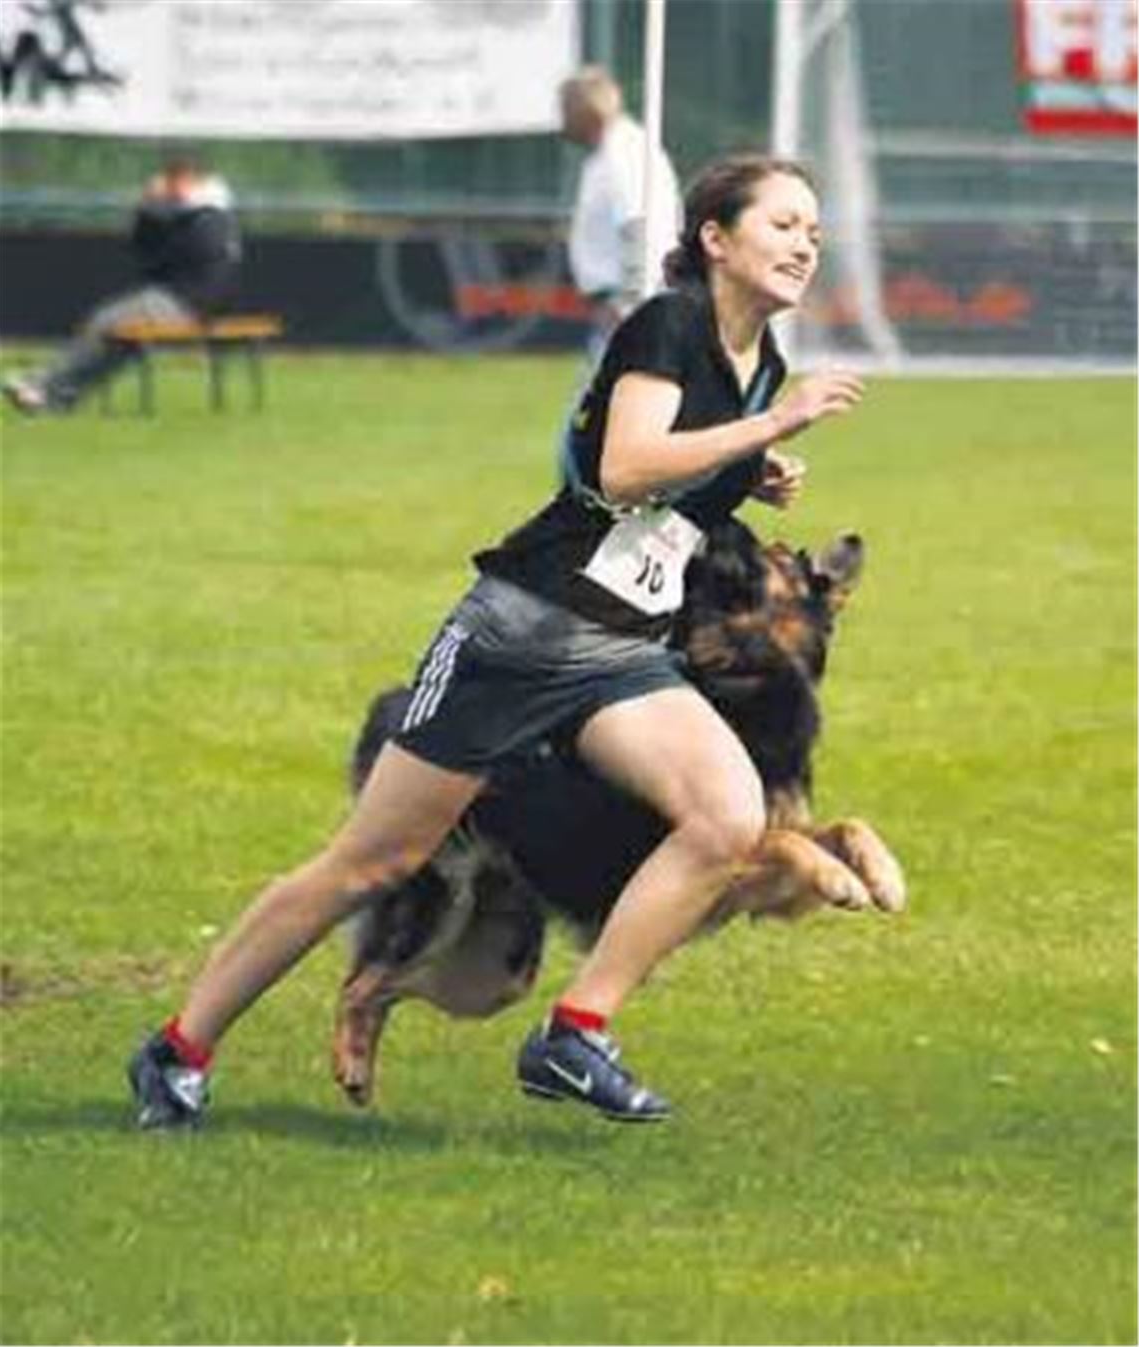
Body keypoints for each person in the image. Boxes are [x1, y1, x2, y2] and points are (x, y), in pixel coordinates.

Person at [128, 153, 865, 1130]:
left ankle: (575, 1033)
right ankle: (177, 1051)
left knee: (728, 817)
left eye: (814, 230)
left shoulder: (755, 360)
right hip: (520, 634)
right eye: (783, 224)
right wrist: (763, 428)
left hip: (620, 652)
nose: (805, 243)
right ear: (716, 240)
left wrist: (752, 463)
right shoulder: (670, 324)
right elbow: (626, 461)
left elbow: (672, 481)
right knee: (370, 864)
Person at [2, 155, 240, 414]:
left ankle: (42, 385)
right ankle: (56, 395)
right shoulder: (194, 214)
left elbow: (168, 257)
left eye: (175, 182)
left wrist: (157, 211)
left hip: (186, 302)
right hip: (172, 297)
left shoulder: (209, 217)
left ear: (192, 181)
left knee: (105, 322)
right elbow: (143, 251)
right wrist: (148, 209)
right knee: (117, 340)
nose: (169, 188)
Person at [560, 66, 682, 363]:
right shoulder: (615, 150)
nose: (563, 121)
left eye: (567, 110)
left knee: (607, 395)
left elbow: (636, 225)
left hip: (626, 298)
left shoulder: (622, 154)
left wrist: (628, 302)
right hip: (625, 296)